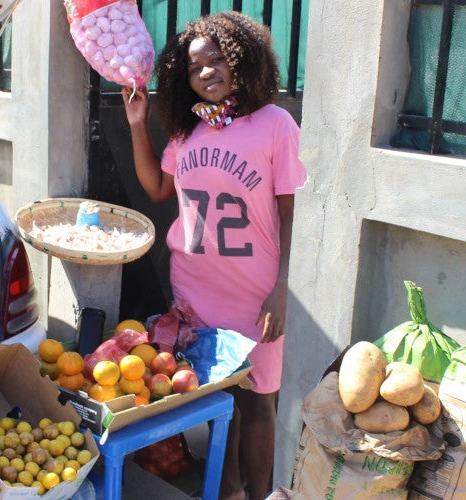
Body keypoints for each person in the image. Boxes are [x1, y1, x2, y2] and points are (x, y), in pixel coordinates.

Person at [121, 11, 307, 500]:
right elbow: (158, 189)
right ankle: (228, 490)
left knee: (259, 403)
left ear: (242, 59)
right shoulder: (187, 133)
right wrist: (138, 124)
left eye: (216, 60)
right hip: (196, 288)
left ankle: (259, 494)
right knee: (221, 397)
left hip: (255, 293)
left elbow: (290, 214)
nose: (206, 73)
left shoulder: (276, 126)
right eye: (194, 68)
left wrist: (282, 289)